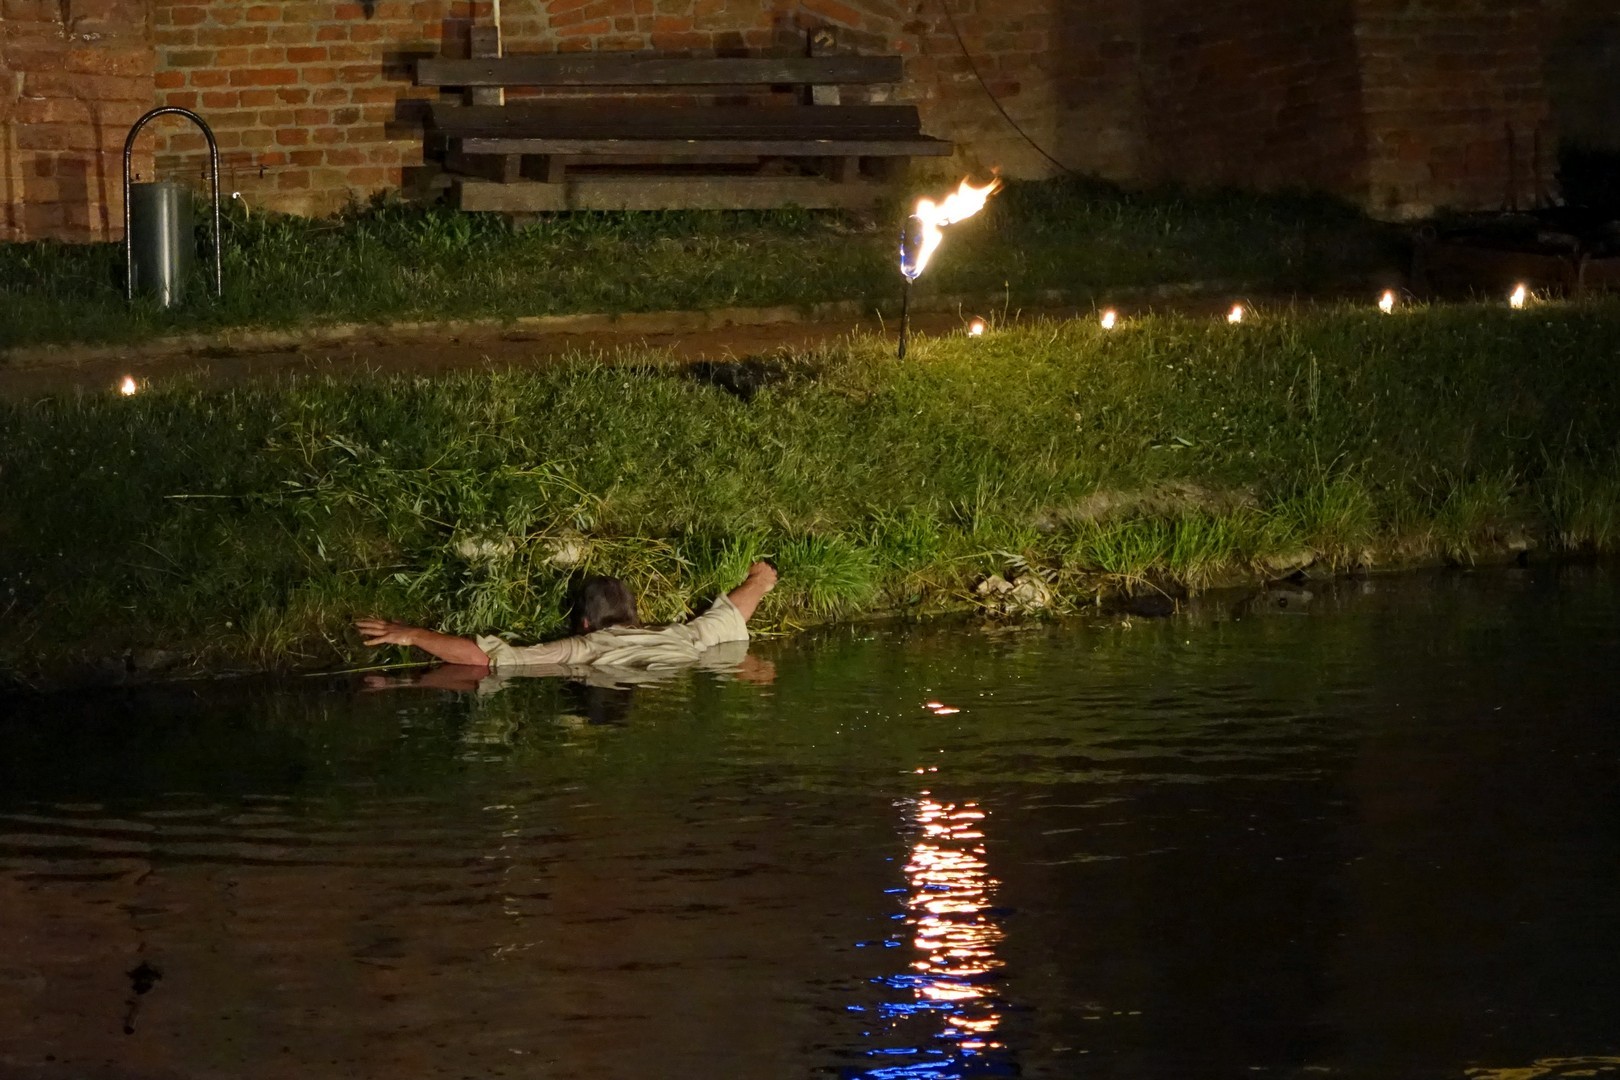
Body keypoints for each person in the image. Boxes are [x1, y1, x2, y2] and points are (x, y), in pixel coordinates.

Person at [354, 560, 778, 674]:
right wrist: (759, 579)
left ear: (585, 623)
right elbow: (729, 617)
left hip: (631, 674)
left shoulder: (584, 646)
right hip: (683, 666)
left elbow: (491, 660)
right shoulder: (679, 635)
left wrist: (413, 634)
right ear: (635, 615)